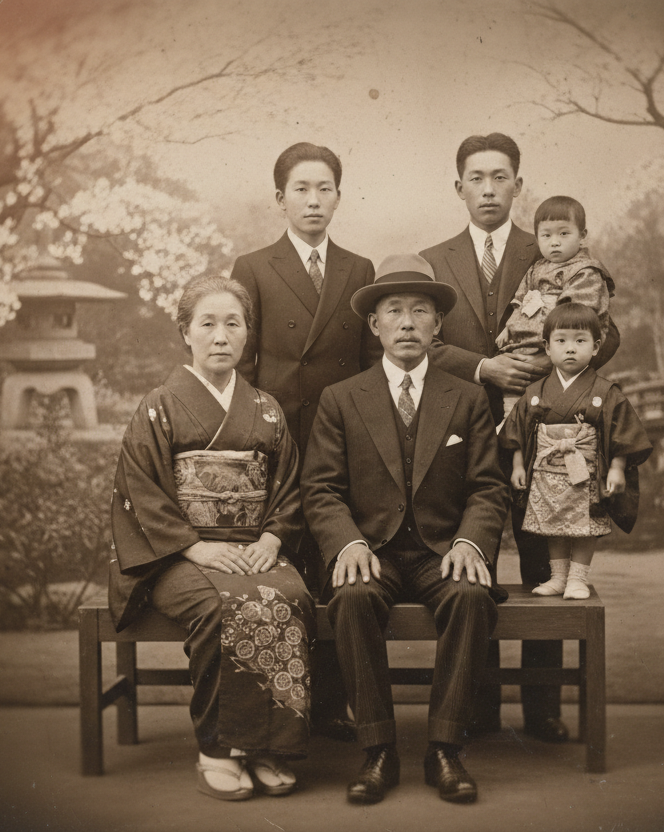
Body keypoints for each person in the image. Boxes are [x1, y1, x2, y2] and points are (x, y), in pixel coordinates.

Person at [301, 254, 509, 805]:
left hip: (443, 549)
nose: (408, 322)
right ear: (375, 324)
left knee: (471, 595)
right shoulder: (342, 398)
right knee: (351, 596)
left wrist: (470, 541)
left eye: (421, 310)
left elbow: (489, 487)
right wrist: (346, 543)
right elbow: (320, 489)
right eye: (394, 310)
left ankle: (445, 748)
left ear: (439, 325)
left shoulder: (465, 397)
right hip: (373, 549)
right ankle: (377, 750)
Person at [108, 275, 312, 801]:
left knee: (290, 597)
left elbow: (288, 488)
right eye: (208, 324)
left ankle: (268, 746)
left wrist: (271, 540)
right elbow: (139, 490)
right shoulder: (159, 405)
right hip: (178, 555)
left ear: (247, 335)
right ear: (185, 333)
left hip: (253, 547)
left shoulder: (266, 409)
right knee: (223, 606)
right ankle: (218, 749)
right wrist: (195, 546)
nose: (221, 336)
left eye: (233, 324)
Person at [419, 132, 566, 743]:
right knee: (472, 561)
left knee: (542, 564)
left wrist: (553, 358)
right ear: (459, 187)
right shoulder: (433, 259)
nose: (488, 188)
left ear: (518, 185)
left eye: (500, 176)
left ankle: (543, 710)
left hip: (540, 428)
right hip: (458, 433)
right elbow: (419, 340)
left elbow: (600, 331)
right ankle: (476, 708)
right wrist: (483, 368)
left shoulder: (555, 251)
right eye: (476, 177)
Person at [231, 142, 381, 742]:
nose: (313, 200)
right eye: (301, 189)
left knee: (338, 561)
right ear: (280, 198)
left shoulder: (359, 269)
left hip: (342, 437)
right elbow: (241, 363)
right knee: (283, 560)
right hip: (279, 438)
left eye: (324, 189)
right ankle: (284, 703)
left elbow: (371, 365)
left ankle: (338, 700)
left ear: (339, 197)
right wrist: (253, 433)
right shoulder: (253, 266)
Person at [500, 301, 652, 598]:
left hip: (587, 472)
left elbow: (621, 432)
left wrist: (618, 468)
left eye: (580, 341)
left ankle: (578, 579)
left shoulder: (605, 392)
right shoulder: (534, 393)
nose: (570, 348)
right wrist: (518, 465)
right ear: (547, 347)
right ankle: (558, 577)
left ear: (595, 348)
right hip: (548, 472)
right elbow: (516, 431)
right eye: (561, 341)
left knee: (585, 523)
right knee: (553, 524)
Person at [495, 195, 620, 416]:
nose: (555, 241)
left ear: (582, 237)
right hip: (525, 342)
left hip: (562, 346)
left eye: (564, 233)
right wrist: (509, 328)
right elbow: (521, 299)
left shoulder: (585, 271)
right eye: (546, 235)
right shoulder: (536, 268)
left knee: (556, 406)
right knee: (514, 400)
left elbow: (576, 314)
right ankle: (512, 424)